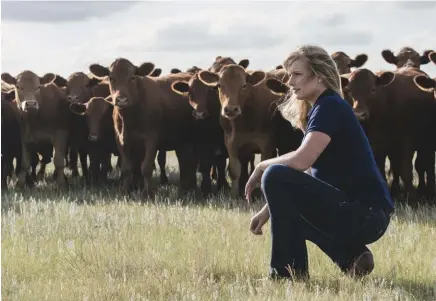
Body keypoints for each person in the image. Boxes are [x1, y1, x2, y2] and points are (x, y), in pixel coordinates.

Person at [245, 44, 395, 281]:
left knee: (274, 173)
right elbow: (307, 172)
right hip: (362, 213)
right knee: (279, 182)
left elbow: (303, 158)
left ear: (320, 77)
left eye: (297, 74)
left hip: (365, 214)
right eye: (289, 75)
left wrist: (262, 165)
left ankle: (286, 275)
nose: (290, 81)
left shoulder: (330, 106)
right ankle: (351, 257)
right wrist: (268, 210)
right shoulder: (324, 107)